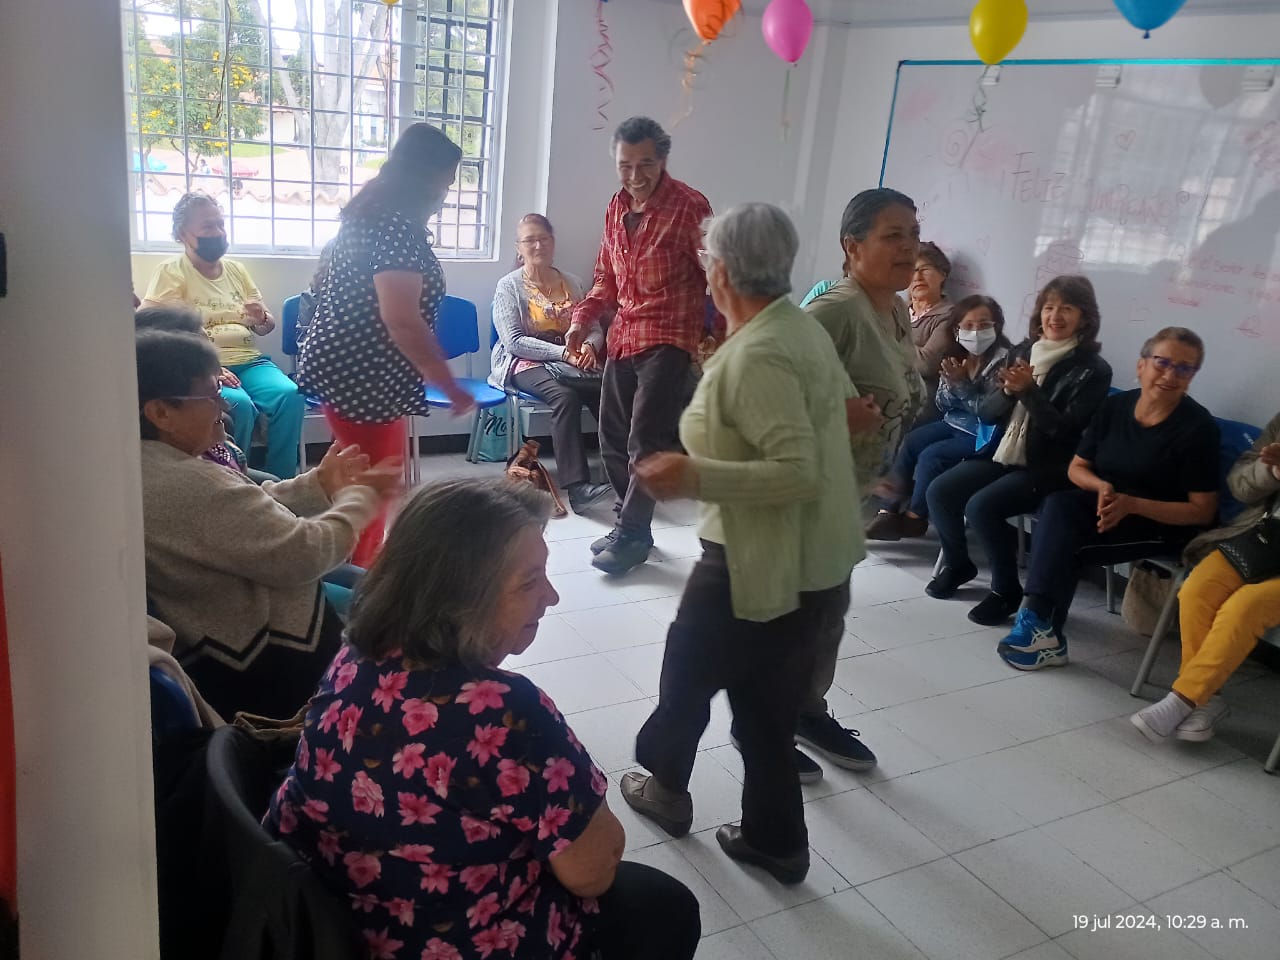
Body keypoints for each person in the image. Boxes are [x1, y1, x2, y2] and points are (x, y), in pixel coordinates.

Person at [264, 478, 701, 960]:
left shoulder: (356, 655)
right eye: (529, 581)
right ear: (459, 598)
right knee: (666, 905)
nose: (552, 597)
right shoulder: (502, 711)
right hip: (442, 941)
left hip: (334, 920)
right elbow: (592, 869)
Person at [618, 205, 861, 885]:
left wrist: (691, 472)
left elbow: (797, 470)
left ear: (718, 270)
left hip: (756, 559)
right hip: (812, 562)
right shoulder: (794, 329)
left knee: (687, 676)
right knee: (764, 708)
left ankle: (666, 787)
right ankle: (776, 841)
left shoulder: (758, 351)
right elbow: (833, 416)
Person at [137, 330, 401, 720]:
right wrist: (359, 500)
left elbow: (243, 515)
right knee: (394, 606)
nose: (223, 405)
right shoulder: (188, 483)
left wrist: (319, 484)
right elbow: (304, 554)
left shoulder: (157, 461)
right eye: (210, 396)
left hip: (237, 628)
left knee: (375, 588)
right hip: (265, 665)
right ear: (161, 413)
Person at [789, 187, 926, 776]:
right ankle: (760, 725)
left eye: (913, 235)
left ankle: (805, 710)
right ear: (852, 245)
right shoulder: (835, 311)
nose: (909, 247)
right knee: (790, 616)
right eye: (893, 236)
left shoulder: (894, 309)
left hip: (848, 498)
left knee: (826, 613)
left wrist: (887, 471)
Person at [297, 123, 476, 567]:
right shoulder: (394, 227)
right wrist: (449, 386)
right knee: (375, 487)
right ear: (424, 175)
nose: (447, 192)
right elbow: (402, 321)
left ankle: (360, 570)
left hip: (357, 369)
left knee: (371, 481)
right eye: (446, 181)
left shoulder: (373, 214)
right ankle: (356, 589)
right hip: (364, 376)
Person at [997, 327, 1219, 670]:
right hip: (1108, 504)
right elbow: (1077, 468)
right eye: (1162, 362)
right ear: (1142, 365)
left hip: (1161, 522)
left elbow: (1202, 511)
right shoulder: (1116, 406)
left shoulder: (1197, 428)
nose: (1170, 374)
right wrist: (1100, 487)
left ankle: (1040, 626)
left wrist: (1133, 504)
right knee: (1058, 504)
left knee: (1065, 541)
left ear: (1192, 377)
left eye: (1184, 368)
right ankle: (1042, 627)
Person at [566, 116, 716, 576]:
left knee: (644, 440)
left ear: (663, 160)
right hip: (624, 336)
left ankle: (632, 533)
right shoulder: (615, 207)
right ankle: (630, 525)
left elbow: (716, 271)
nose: (634, 175)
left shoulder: (690, 205)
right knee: (611, 436)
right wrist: (580, 320)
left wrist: (722, 336)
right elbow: (605, 279)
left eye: (645, 164)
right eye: (625, 165)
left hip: (669, 337)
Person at [925, 275, 1113, 626]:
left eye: (1066, 309)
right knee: (940, 491)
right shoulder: (1024, 351)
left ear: (1084, 318)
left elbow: (1062, 429)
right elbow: (988, 411)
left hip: (1051, 466)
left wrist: (1028, 391)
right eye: (1049, 307)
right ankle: (958, 563)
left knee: (981, 507)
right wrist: (1006, 392)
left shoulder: (1093, 370)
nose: (1054, 316)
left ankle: (1005, 591)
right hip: (1005, 453)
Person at [1131, 410, 1280, 742]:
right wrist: (1270, 471)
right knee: (1196, 588)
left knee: (1245, 606)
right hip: (1263, 540)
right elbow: (1239, 486)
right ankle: (1206, 700)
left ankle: (1183, 699)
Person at [142, 191, 305, 479]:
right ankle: (233, 482)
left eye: (220, 224)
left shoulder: (236, 270)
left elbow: (266, 326)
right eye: (207, 227)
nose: (217, 232)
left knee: (290, 396)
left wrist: (261, 318)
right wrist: (211, 369)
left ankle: (281, 484)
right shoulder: (171, 272)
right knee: (236, 406)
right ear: (182, 234)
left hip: (250, 361)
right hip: (204, 366)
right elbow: (151, 325)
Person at [489, 213, 612, 512]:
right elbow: (514, 341)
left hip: (572, 359)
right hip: (524, 361)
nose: (538, 245)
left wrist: (587, 346)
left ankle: (621, 475)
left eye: (543, 238)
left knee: (610, 393)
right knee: (564, 398)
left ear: (553, 243)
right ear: (519, 247)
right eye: (530, 240)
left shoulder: (573, 282)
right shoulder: (509, 286)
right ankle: (578, 488)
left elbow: (594, 326)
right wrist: (562, 353)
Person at [867, 295, 1013, 541]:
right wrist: (953, 383)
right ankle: (887, 510)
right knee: (912, 441)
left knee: (932, 455)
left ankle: (915, 518)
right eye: (968, 326)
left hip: (982, 434)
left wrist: (962, 384)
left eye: (984, 325)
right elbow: (943, 404)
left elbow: (986, 411)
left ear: (996, 327)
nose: (976, 332)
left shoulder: (1004, 361)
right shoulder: (956, 355)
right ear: (957, 330)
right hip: (953, 423)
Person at [906, 241, 959, 425]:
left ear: (942, 274)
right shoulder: (896, 308)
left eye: (925, 269)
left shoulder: (950, 315)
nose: (918, 277)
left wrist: (885, 342)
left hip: (920, 396)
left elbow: (926, 363)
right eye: (912, 270)